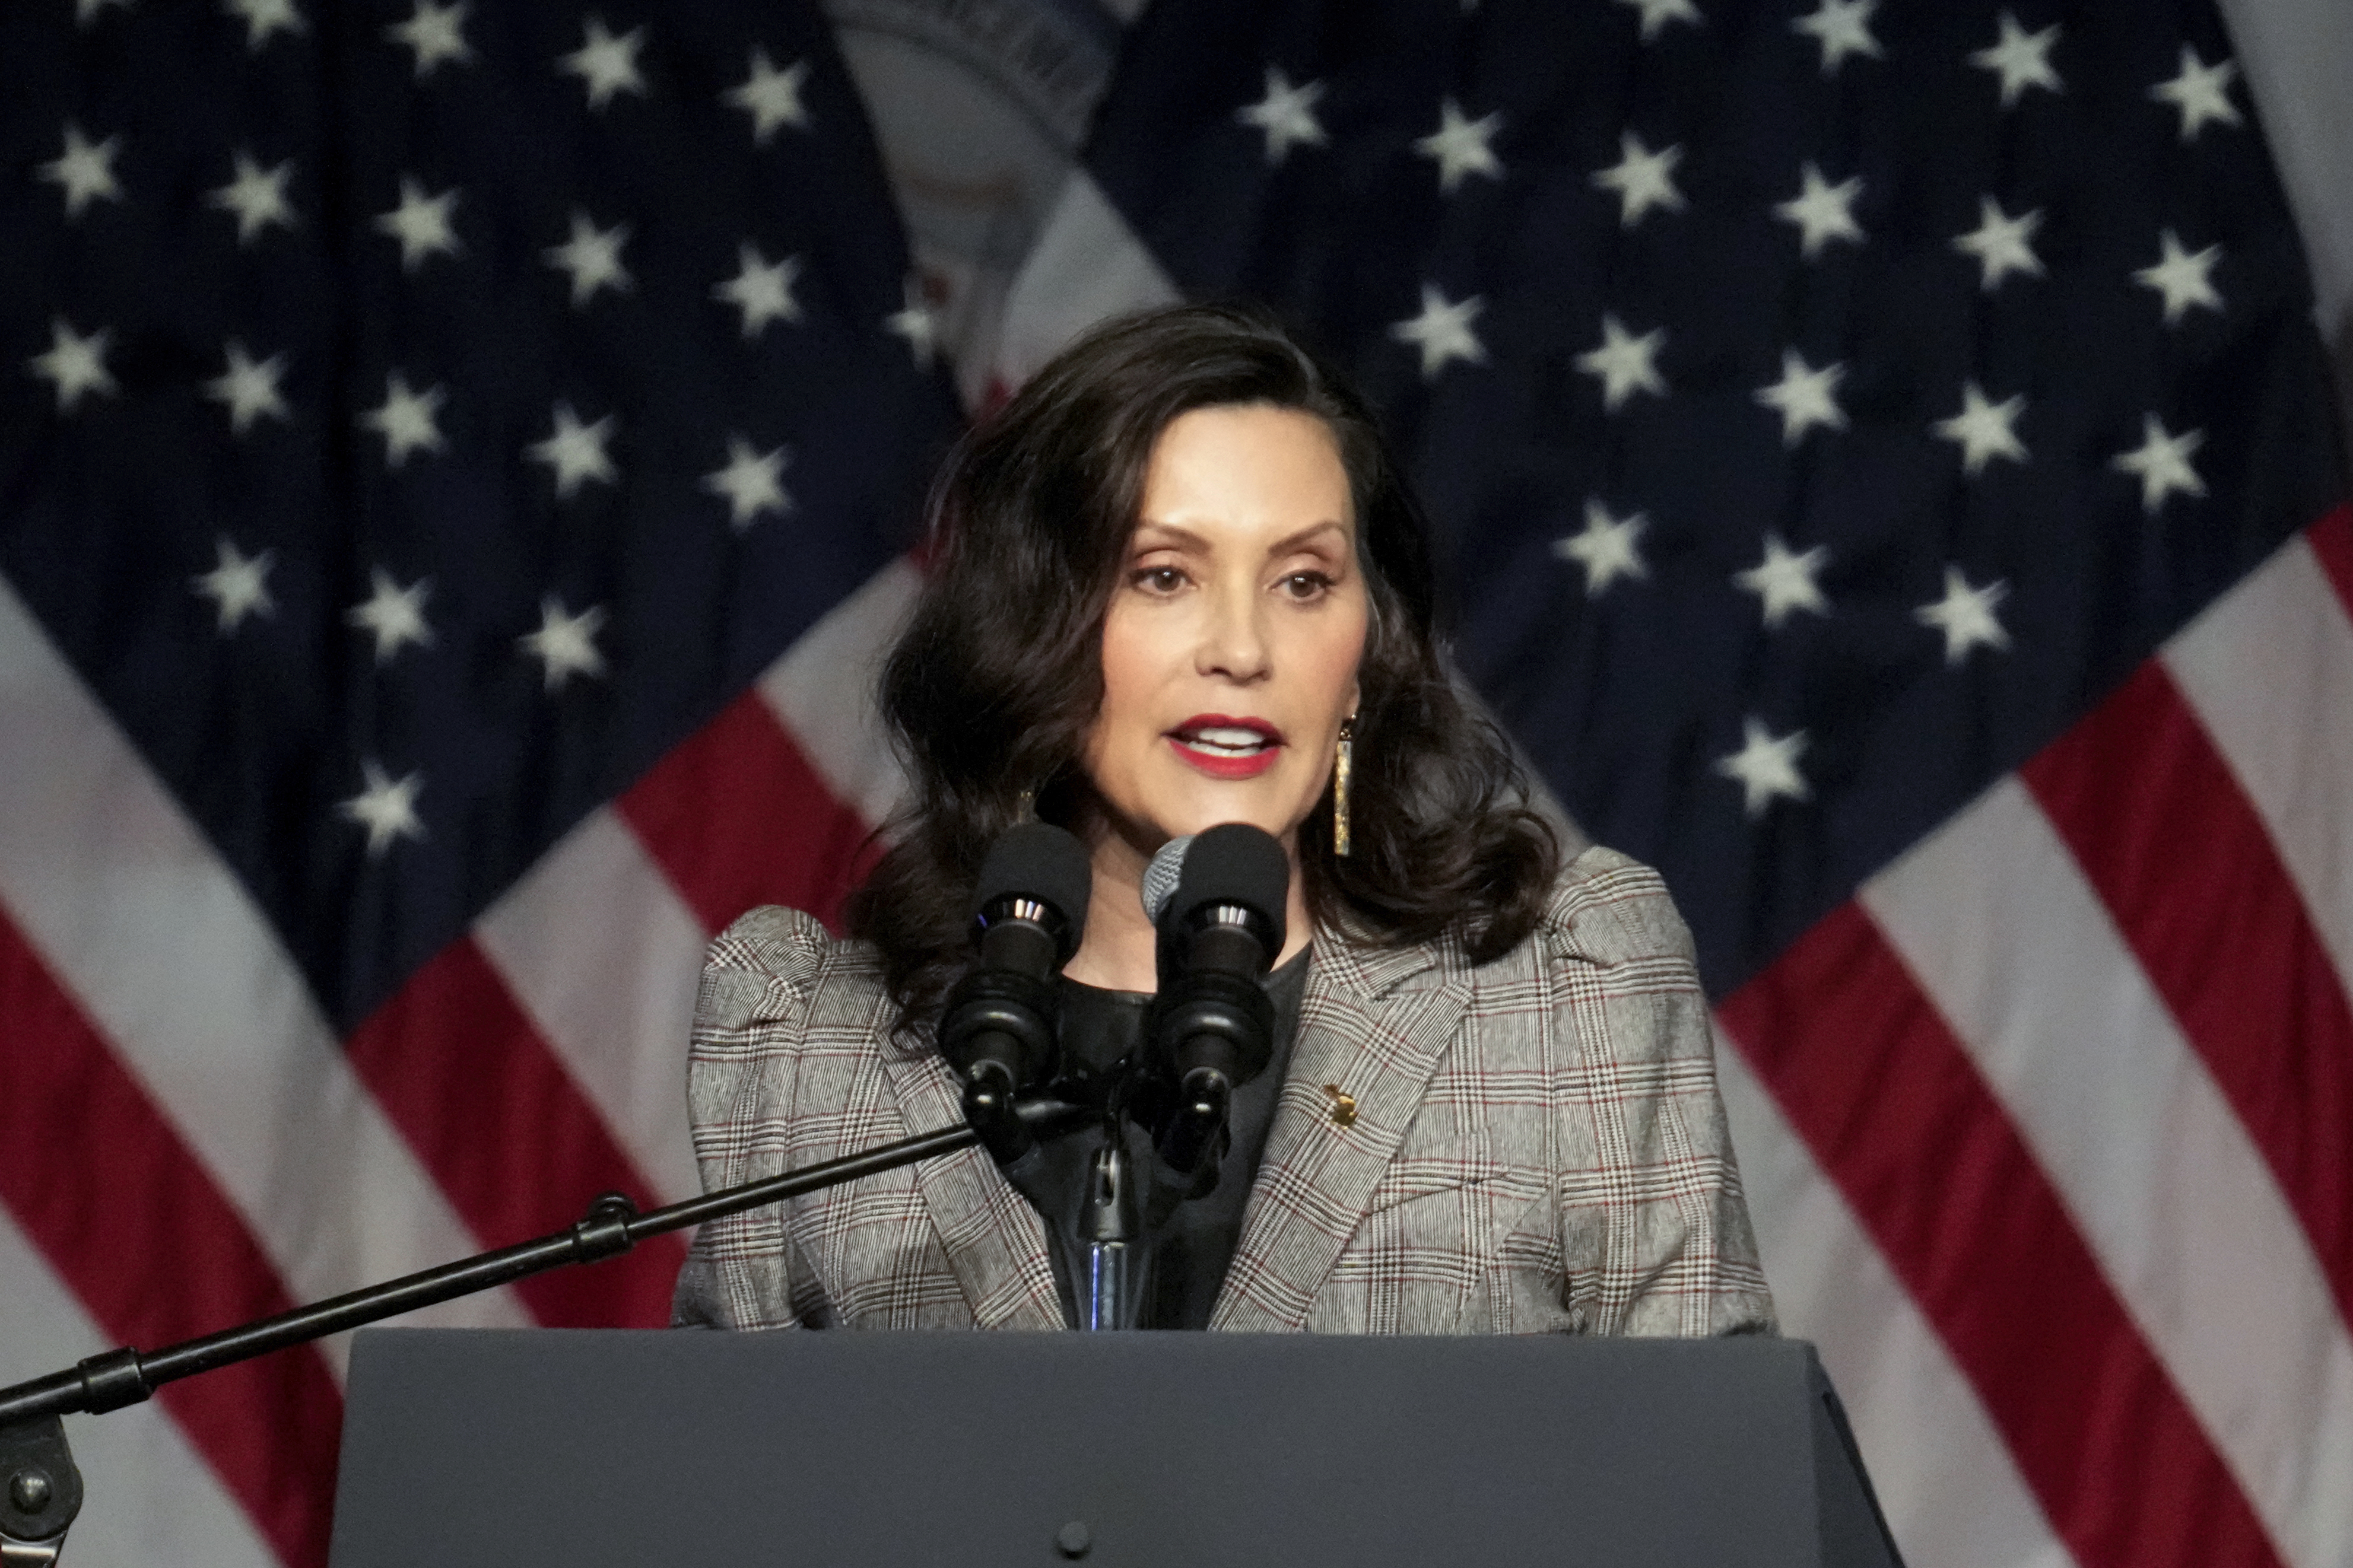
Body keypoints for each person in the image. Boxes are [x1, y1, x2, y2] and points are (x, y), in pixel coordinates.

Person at [672, 304, 1774, 1337]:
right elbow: (722, 1507)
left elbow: (1717, 1488)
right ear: (1036, 626)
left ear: (1364, 656)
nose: (1242, 650)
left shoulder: (1561, 987)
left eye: (1302, 582)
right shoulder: (805, 1042)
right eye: (1164, 576)